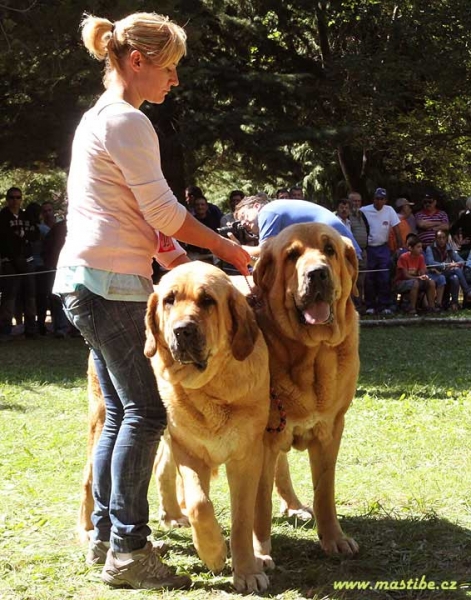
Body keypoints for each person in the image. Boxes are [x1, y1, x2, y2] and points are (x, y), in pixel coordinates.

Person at [52, 12, 249, 591]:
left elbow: (133, 214)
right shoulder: (129, 123)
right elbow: (162, 211)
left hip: (87, 279)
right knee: (145, 413)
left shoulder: (99, 117)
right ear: (136, 62)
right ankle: (129, 554)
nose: (174, 81)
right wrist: (230, 252)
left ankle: (110, 538)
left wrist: (168, 255)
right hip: (110, 285)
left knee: (120, 414)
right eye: (169, 69)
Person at [234, 196, 362, 259]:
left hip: (337, 249)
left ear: (256, 206)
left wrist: (236, 248)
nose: (244, 223)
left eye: (244, 216)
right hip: (339, 248)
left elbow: (265, 251)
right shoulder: (276, 208)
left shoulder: (267, 212)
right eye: (240, 222)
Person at [0, 187, 39, 341]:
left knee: (30, 296)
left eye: (18, 197)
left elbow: (35, 234)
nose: (15, 200)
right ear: (7, 199)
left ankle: (31, 329)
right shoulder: (2, 216)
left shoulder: (26, 216)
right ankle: (5, 330)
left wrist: (22, 236)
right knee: (9, 297)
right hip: (9, 263)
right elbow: (5, 239)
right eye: (12, 197)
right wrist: (19, 241)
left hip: (27, 261)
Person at [360, 187, 404, 315]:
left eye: (382, 199)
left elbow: (397, 229)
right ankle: (370, 305)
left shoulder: (389, 210)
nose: (379, 201)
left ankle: (384, 305)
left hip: (383, 247)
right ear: (373, 199)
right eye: (377, 198)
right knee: (369, 277)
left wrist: (400, 248)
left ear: (385, 200)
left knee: (384, 276)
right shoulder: (364, 210)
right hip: (369, 248)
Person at [425, 229, 471, 311]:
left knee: (455, 278)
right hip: (433, 273)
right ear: (435, 239)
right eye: (439, 238)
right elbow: (430, 262)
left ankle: (454, 303)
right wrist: (447, 265)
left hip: (443, 273)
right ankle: (467, 292)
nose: (441, 240)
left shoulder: (448, 247)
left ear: (446, 239)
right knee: (456, 270)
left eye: (443, 238)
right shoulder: (430, 248)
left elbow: (460, 260)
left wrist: (456, 264)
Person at [393, 235, 437, 315]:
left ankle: (431, 307)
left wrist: (424, 276)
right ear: (410, 248)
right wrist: (418, 277)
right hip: (401, 282)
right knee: (415, 282)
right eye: (418, 247)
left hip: (416, 280)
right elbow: (405, 275)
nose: (421, 249)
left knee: (431, 282)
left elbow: (422, 271)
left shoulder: (421, 257)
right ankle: (412, 308)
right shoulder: (403, 257)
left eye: (421, 247)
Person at [348, 191, 369, 313]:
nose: (356, 203)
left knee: (361, 281)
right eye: (353, 201)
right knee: (351, 279)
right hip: (351, 253)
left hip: (363, 252)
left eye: (358, 201)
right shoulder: (346, 216)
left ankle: (360, 304)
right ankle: (351, 306)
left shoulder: (362, 215)